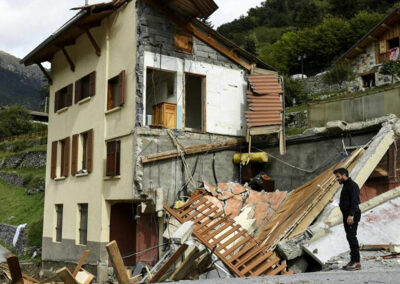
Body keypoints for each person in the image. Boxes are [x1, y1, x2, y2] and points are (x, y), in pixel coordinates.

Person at [333, 167, 362, 271]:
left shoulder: (352, 185)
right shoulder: (346, 185)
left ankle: (357, 262)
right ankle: (353, 260)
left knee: (352, 236)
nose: (337, 179)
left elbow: (355, 201)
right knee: (350, 237)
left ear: (344, 175)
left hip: (352, 215)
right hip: (347, 215)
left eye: (338, 176)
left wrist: (351, 215)